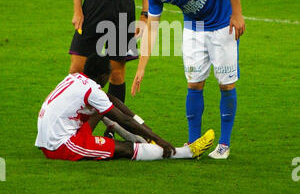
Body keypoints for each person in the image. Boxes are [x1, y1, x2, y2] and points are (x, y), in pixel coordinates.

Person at [131, 0, 245, 159]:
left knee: (226, 84)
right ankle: (194, 145)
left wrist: (237, 14)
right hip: (194, 29)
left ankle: (224, 144)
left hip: (222, 25)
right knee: (194, 84)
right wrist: (141, 68)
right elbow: (152, 29)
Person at [35, 53, 215, 162]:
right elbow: (124, 119)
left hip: (48, 138)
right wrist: (158, 139)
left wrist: (144, 127)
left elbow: (116, 104)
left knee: (104, 107)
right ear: (103, 75)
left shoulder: (75, 78)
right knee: (126, 149)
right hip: (61, 145)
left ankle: (147, 143)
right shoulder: (91, 90)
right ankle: (185, 152)